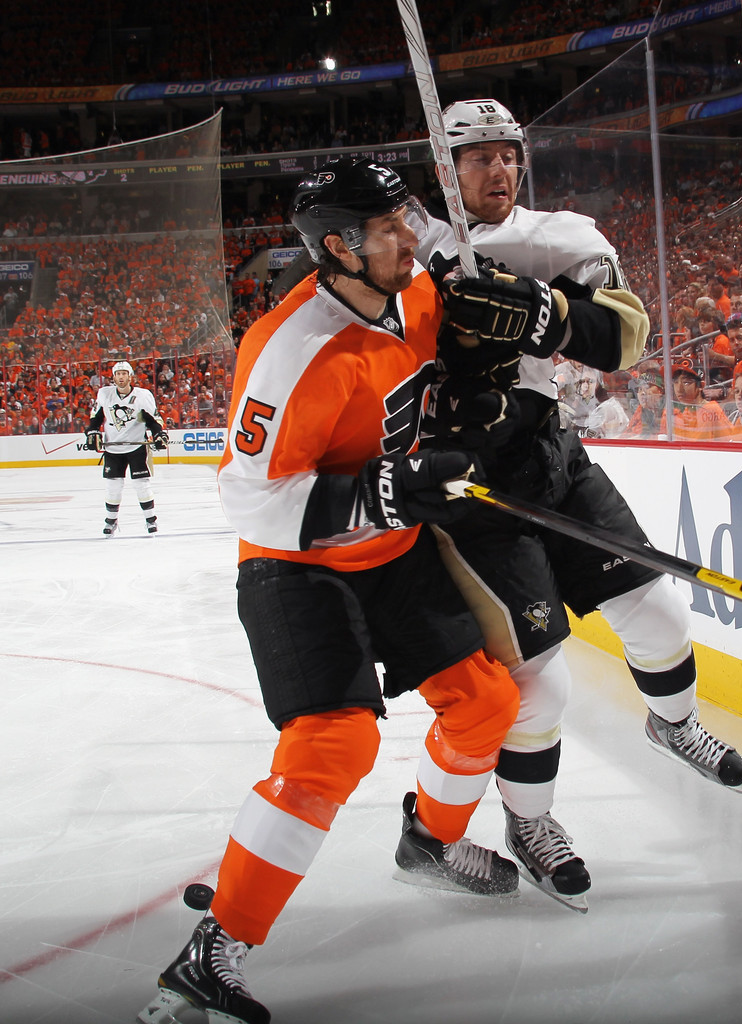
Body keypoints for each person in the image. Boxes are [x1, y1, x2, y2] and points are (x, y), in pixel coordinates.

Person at [137, 159, 521, 1024]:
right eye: (388, 228)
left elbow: (444, 370)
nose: (410, 237)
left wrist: (482, 365)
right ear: (340, 248)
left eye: (407, 218)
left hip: (392, 551)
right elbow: (248, 499)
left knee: (487, 702)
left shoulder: (415, 287)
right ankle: (214, 950)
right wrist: (383, 489)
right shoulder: (289, 348)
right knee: (334, 745)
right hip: (296, 564)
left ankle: (430, 841)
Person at [414, 99, 742, 911]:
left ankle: (672, 724)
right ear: (445, 169)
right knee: (539, 685)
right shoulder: (407, 245)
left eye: (508, 154)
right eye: (479, 156)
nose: (499, 169)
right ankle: (530, 824)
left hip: (550, 454)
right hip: (471, 489)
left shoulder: (558, 236)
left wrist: (547, 313)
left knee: (659, 615)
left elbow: (627, 337)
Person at [84, 360, 168, 535]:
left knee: (141, 484)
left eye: (124, 374)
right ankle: (111, 521)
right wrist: (92, 432)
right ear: (113, 377)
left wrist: (158, 434)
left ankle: (151, 520)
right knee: (113, 486)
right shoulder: (104, 394)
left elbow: (153, 420)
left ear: (130, 377)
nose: (121, 377)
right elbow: (96, 417)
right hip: (113, 449)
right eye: (118, 374)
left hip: (137, 447)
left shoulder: (143, 395)